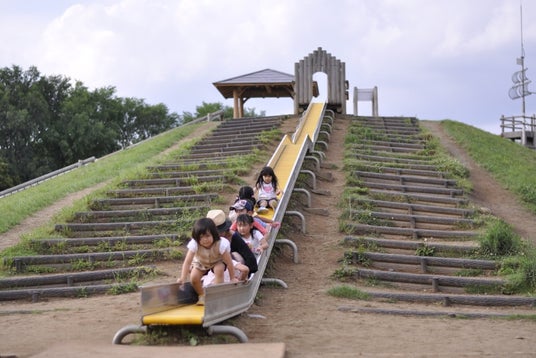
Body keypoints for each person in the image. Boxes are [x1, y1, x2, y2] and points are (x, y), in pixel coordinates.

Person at [177, 217, 237, 306]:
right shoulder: (194, 244)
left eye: (207, 236)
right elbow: (187, 262)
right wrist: (182, 277)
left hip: (217, 260)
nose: (205, 240)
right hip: (201, 261)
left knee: (219, 269)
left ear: (214, 234)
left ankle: (215, 295)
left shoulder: (221, 244)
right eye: (201, 237)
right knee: (194, 277)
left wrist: (232, 277)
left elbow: (229, 262)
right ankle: (202, 295)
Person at [206, 209, 258, 277]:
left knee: (235, 255)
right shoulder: (206, 239)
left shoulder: (234, 237)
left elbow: (251, 261)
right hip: (215, 270)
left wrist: (244, 276)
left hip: (235, 269)